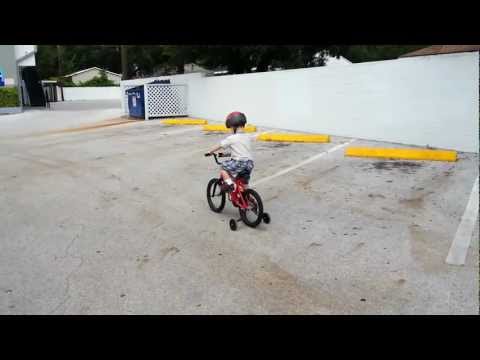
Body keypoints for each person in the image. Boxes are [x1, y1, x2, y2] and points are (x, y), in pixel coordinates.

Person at [207, 112, 254, 192]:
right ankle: (249, 199)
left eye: (230, 128)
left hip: (239, 162)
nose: (230, 130)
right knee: (244, 183)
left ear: (233, 127)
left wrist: (210, 151)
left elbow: (220, 145)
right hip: (249, 164)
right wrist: (221, 155)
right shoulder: (247, 136)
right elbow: (237, 152)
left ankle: (229, 184)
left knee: (223, 168)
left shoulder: (232, 138)